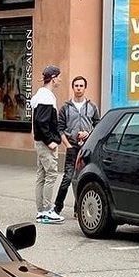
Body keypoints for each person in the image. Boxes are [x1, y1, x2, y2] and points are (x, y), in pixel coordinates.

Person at [53, 76, 100, 216]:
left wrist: (88, 133)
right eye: (76, 86)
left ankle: (77, 209)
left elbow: (98, 125)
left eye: (81, 86)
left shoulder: (92, 107)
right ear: (73, 88)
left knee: (83, 177)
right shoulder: (65, 108)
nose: (79, 88)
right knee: (67, 177)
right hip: (72, 146)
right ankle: (57, 208)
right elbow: (59, 128)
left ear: (85, 88)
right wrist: (67, 145)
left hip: (86, 148)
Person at [31, 64, 64, 224]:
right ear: (53, 78)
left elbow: (38, 122)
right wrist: (50, 140)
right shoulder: (46, 96)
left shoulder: (40, 95)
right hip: (45, 143)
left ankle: (41, 210)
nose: (60, 80)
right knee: (51, 174)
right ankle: (47, 210)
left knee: (42, 175)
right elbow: (41, 122)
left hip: (40, 142)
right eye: (59, 77)